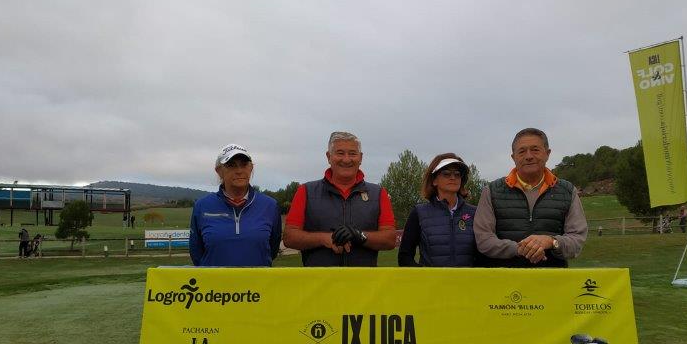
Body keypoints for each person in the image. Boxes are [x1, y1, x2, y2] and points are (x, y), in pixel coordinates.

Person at [474, 127, 587, 267]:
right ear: (513, 157)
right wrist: (519, 249)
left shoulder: (568, 191)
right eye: (522, 151)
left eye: (535, 149)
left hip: (552, 281)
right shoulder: (491, 191)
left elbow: (576, 240)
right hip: (504, 281)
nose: (528, 156)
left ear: (547, 153)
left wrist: (551, 242)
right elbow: (484, 239)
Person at [283, 131, 397, 266]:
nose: (347, 159)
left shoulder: (378, 193)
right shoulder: (305, 191)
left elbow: (390, 239)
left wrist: (359, 235)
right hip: (318, 283)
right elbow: (289, 237)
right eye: (340, 153)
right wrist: (324, 239)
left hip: (364, 283)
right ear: (328, 156)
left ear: (360, 158)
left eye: (352, 154)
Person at [189, 144, 282, 267]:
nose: (239, 171)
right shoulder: (202, 206)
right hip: (215, 284)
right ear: (219, 171)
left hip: (257, 284)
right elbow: (197, 253)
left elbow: (272, 250)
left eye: (244, 165)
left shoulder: (270, 205)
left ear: (251, 168)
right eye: (231, 165)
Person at [398, 153, 480, 267]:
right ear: (434, 180)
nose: (453, 177)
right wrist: (425, 275)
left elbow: (483, 255)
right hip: (432, 284)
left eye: (457, 174)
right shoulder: (419, 212)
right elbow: (404, 257)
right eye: (446, 174)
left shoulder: (476, 213)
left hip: (468, 283)